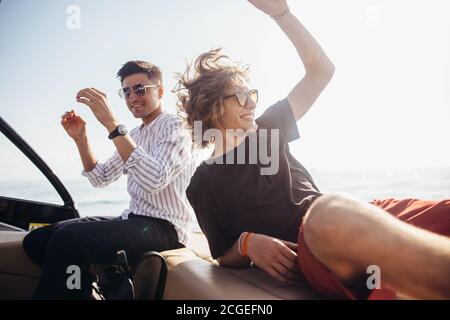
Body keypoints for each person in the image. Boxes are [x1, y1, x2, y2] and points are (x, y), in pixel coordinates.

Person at [175, 0, 450, 299]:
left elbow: (321, 70)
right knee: (327, 213)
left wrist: (281, 13)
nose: (251, 101)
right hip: (316, 245)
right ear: (211, 107)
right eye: (240, 96)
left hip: (362, 216)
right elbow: (221, 253)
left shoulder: (269, 129)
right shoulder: (202, 183)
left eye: (251, 93)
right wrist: (246, 243)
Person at [23, 60, 196, 299]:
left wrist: (111, 124)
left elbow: (155, 179)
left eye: (140, 89)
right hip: (134, 220)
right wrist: (81, 139)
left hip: (165, 229)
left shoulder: (176, 128)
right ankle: (89, 287)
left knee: (69, 240)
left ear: (161, 91)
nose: (132, 96)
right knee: (37, 240)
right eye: (126, 91)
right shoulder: (134, 135)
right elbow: (100, 177)